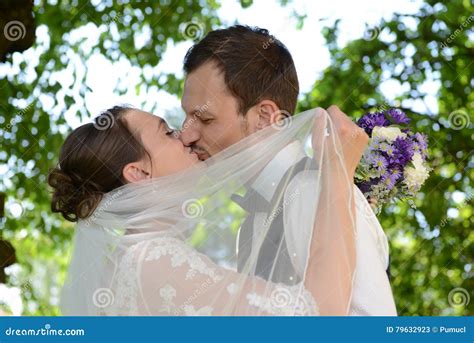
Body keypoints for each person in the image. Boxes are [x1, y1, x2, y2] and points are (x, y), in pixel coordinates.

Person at [50, 104, 364, 315]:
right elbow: (319, 314)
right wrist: (338, 167)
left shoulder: (123, 265)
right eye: (168, 132)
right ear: (140, 172)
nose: (186, 137)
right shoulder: (152, 260)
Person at [180, 25, 396, 315]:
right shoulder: (251, 223)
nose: (186, 135)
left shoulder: (315, 192)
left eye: (204, 119)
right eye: (186, 117)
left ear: (265, 117)